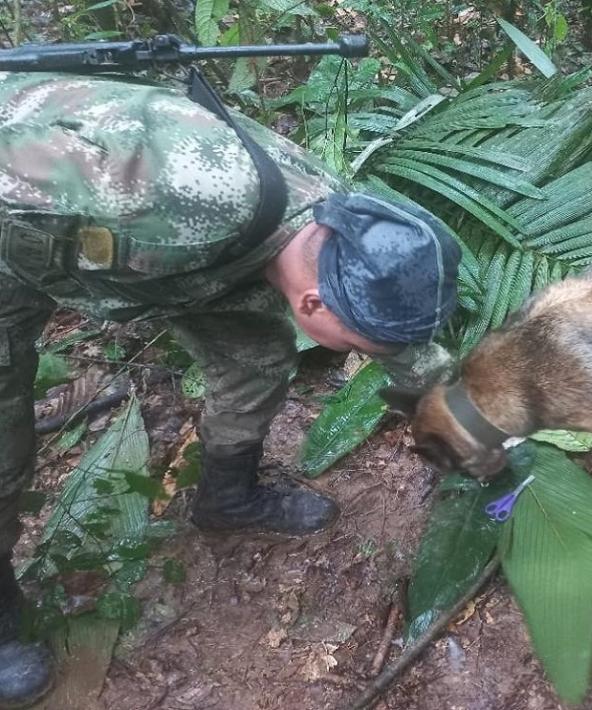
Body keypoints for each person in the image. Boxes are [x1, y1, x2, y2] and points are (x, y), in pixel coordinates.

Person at [0, 71, 461, 708]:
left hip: (154, 252)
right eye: (356, 346)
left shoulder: (339, 228)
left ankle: (227, 497)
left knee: (256, 355)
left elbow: (399, 340)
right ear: (313, 300)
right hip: (18, 221)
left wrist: (463, 417)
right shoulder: (175, 212)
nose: (363, 355)